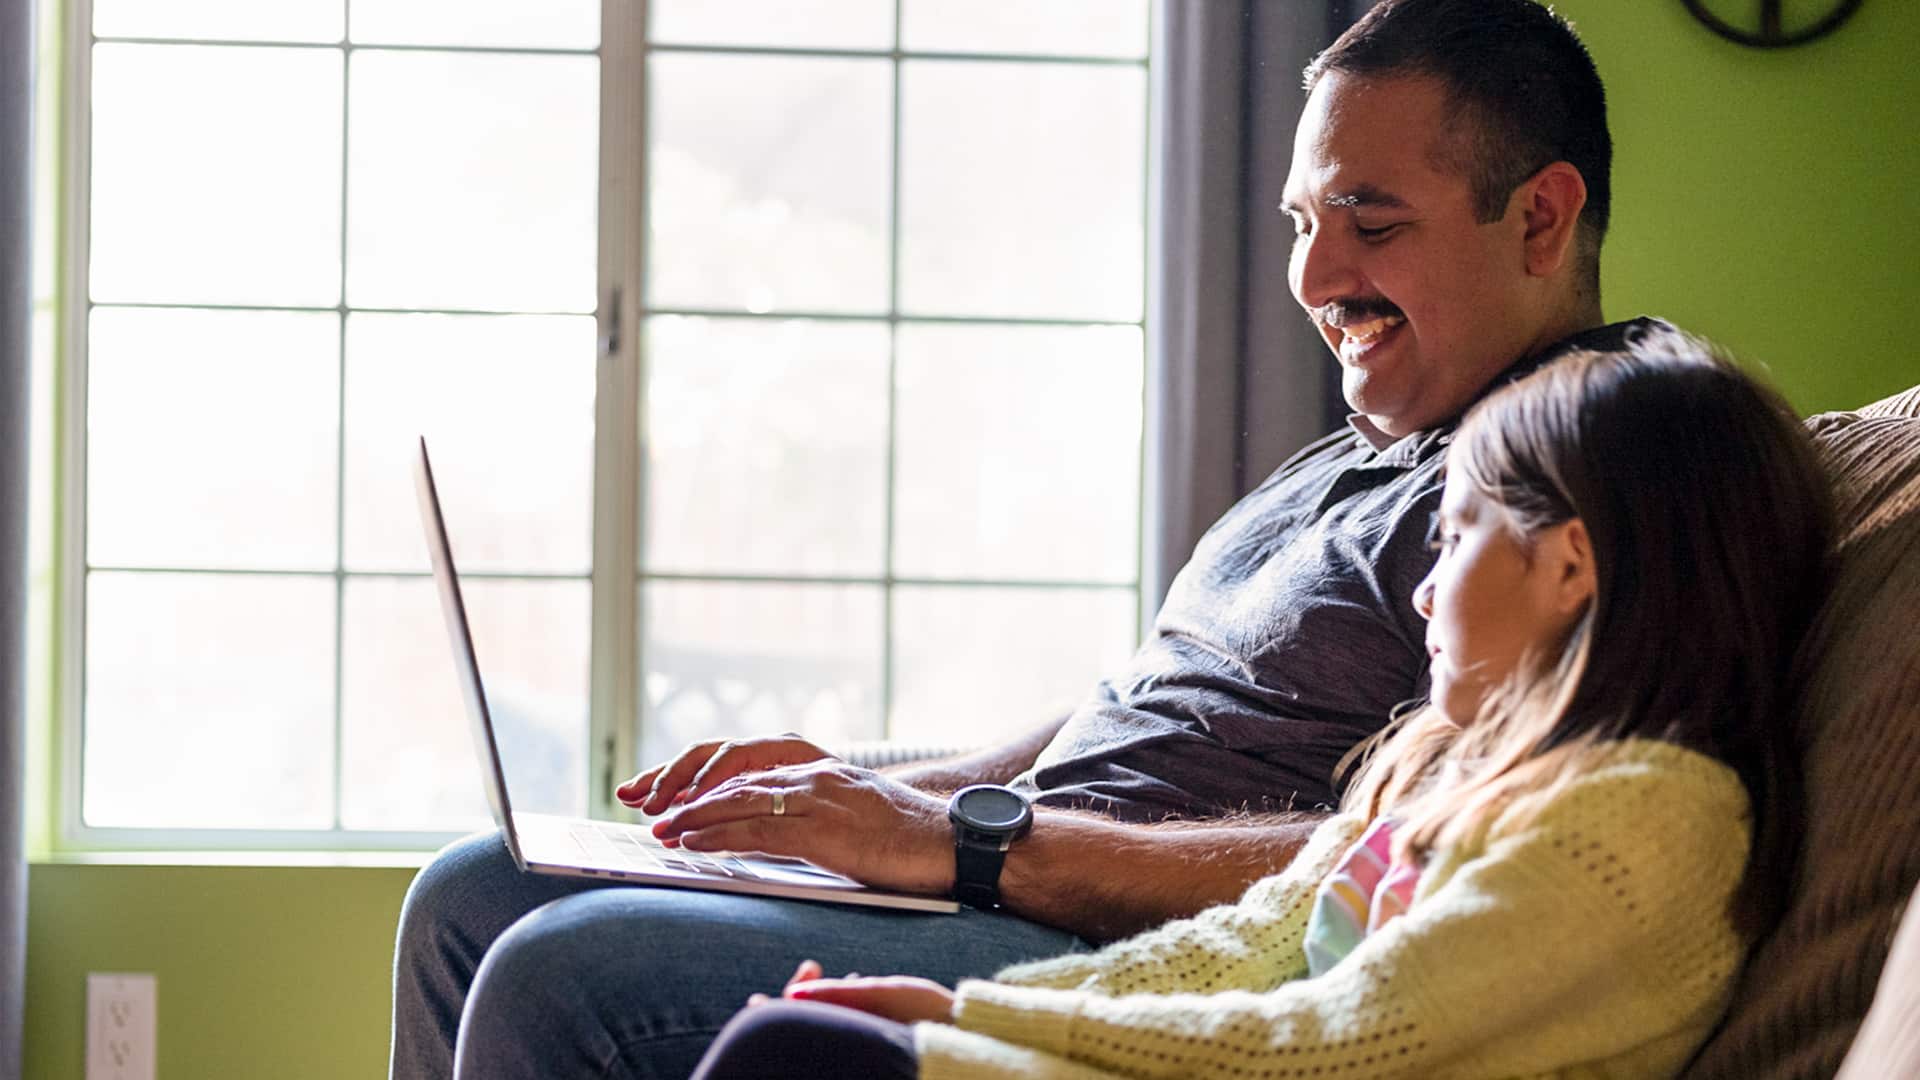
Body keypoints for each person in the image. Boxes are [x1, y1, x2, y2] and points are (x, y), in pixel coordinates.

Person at [390, 2, 1658, 1076]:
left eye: (1371, 224)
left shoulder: (1591, 462)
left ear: (1542, 220)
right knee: (469, 894)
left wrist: (966, 844)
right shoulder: (1363, 446)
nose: (1316, 279)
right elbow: (1135, 708)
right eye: (1296, 224)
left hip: (1111, 939)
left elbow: (1434, 839)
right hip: (1003, 869)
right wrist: (870, 790)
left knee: (558, 978)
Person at [688, 335, 1836, 1080]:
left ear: (1568, 566)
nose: (1427, 586)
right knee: (814, 1040)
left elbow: (1350, 1034)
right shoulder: (1455, 769)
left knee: (801, 1057)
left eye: (1453, 537)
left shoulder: (1644, 821)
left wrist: (984, 1024)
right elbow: (1251, 942)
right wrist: (968, 1001)